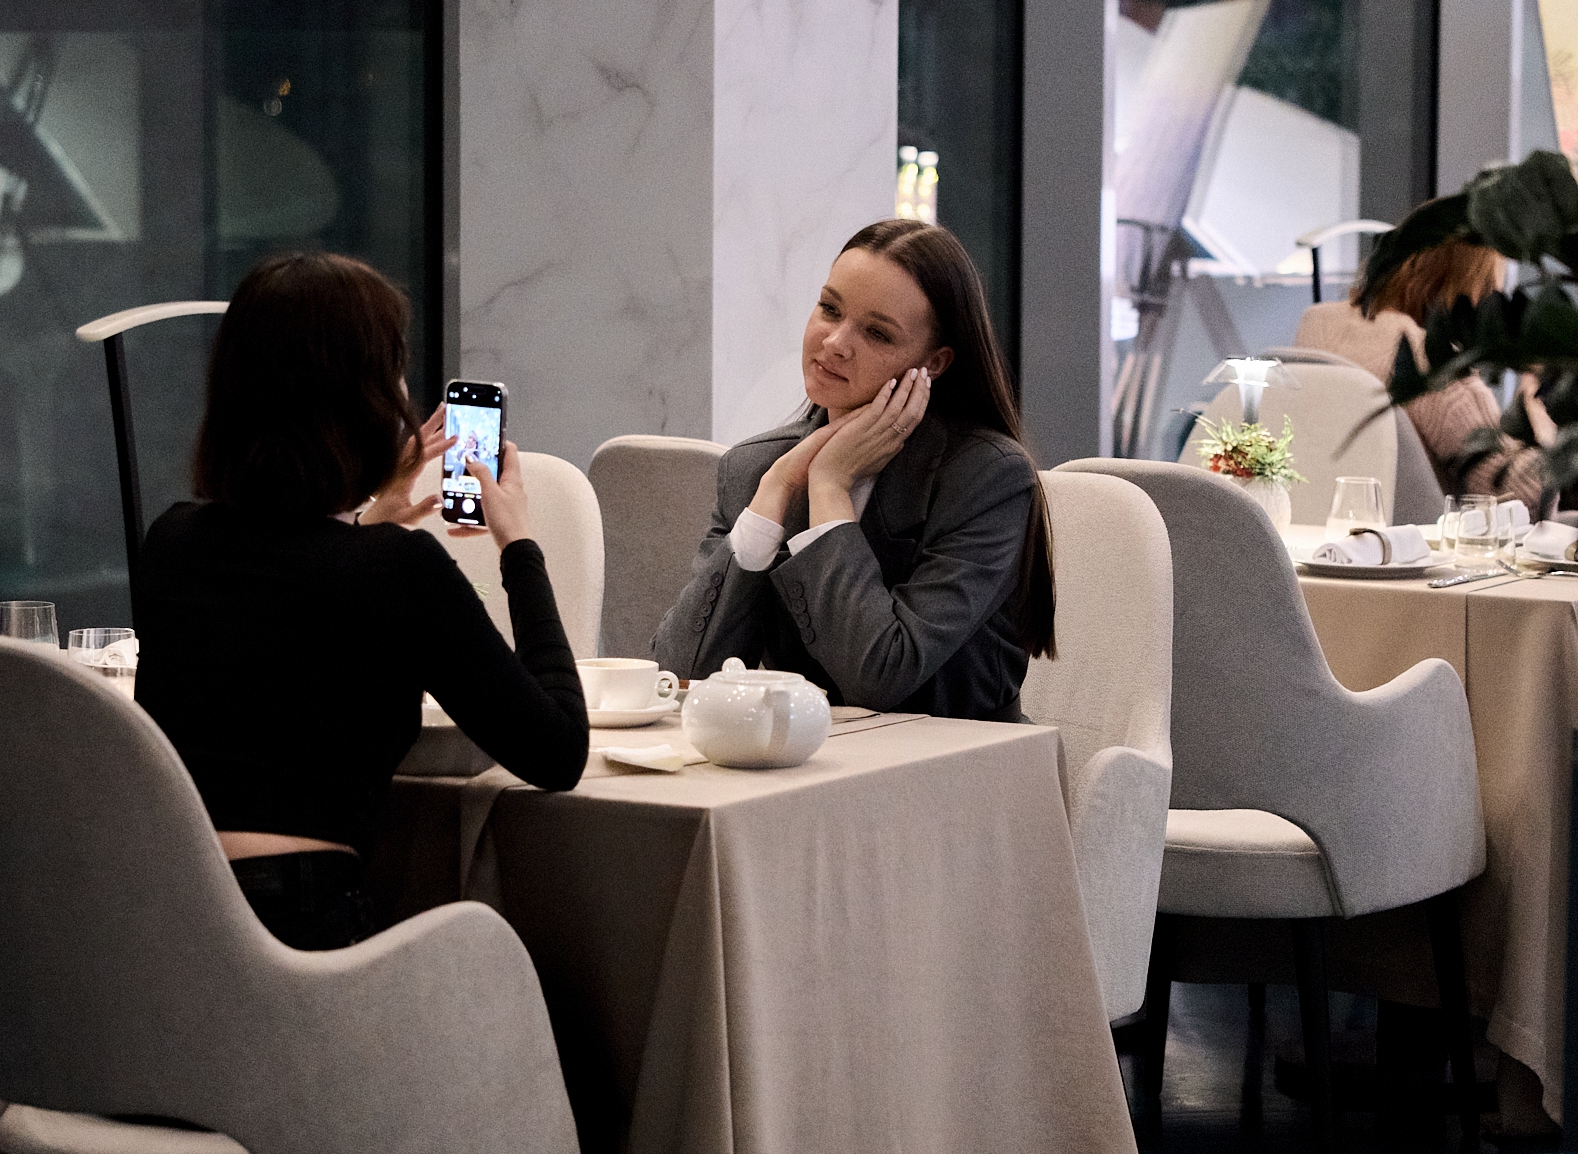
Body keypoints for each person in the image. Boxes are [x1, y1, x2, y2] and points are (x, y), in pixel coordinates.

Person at [133, 252, 587, 950]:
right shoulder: (396, 571)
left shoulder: (171, 542)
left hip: (160, 930)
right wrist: (518, 543)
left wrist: (364, 519)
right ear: (363, 399)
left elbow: (280, 636)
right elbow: (557, 751)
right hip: (305, 934)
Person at [653, 219, 1055, 720]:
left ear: (934, 363)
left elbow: (879, 678)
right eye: (829, 309)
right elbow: (681, 675)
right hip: (802, 756)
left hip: (956, 760)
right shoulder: (757, 467)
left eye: (877, 333)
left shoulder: (987, 478)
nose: (836, 342)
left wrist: (829, 486)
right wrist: (775, 490)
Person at [1296, 219, 1555, 513]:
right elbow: (1524, 498)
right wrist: (1538, 410)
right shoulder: (1433, 364)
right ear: (1472, 290)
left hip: (1314, 528)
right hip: (1415, 538)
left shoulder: (1315, 324)